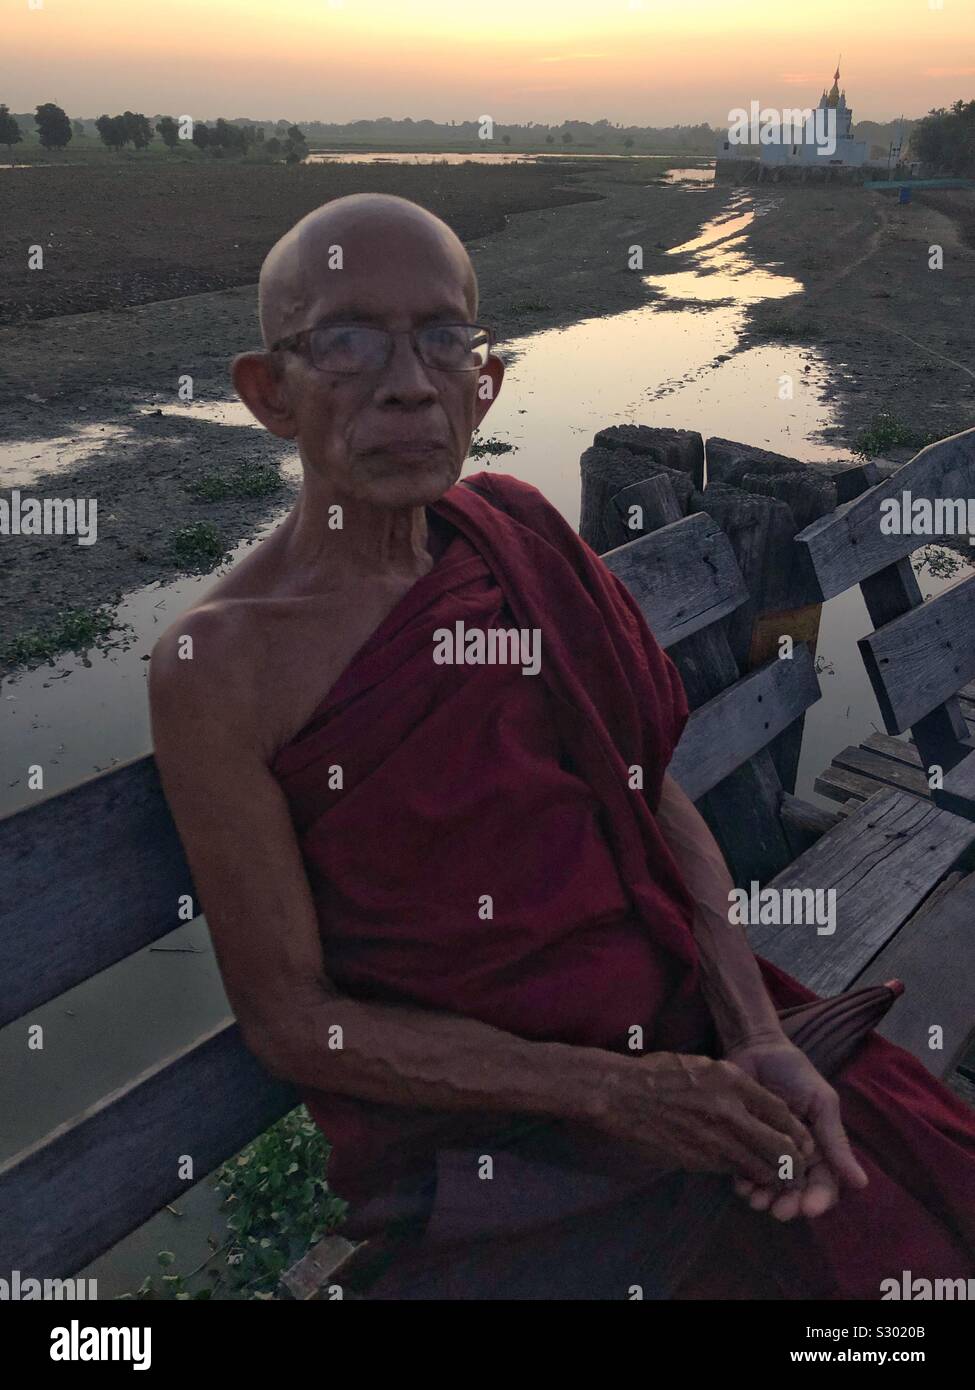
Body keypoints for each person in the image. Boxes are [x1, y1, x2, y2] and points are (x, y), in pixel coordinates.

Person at [149, 193, 975, 1299]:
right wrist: (620, 1094)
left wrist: (750, 1036)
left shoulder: (517, 535)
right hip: (510, 1141)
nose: (407, 383)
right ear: (268, 393)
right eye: (346, 341)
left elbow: (655, 796)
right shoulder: (223, 664)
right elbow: (299, 1024)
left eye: (445, 340)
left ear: (482, 384)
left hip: (694, 1034)